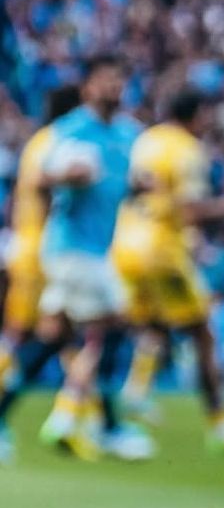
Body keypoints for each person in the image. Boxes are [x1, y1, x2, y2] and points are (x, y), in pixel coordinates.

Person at [0, 55, 151, 461]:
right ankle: (89, 422)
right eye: (105, 80)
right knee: (113, 324)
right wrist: (65, 177)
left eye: (119, 79)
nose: (113, 87)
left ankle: (4, 417)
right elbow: (37, 180)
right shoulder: (70, 130)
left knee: (50, 340)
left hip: (96, 248)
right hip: (70, 249)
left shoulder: (128, 133)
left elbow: (124, 183)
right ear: (88, 88)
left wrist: (140, 187)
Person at [111, 89, 224, 455]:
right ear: (197, 114)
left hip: (125, 242)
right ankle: (222, 425)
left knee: (151, 325)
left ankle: (131, 392)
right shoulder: (186, 148)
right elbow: (189, 210)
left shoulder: (147, 139)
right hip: (160, 250)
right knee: (203, 334)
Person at [0, 85, 81, 463]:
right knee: (46, 334)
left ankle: (82, 416)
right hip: (46, 252)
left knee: (51, 336)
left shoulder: (39, 142)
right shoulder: (62, 141)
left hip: (27, 246)